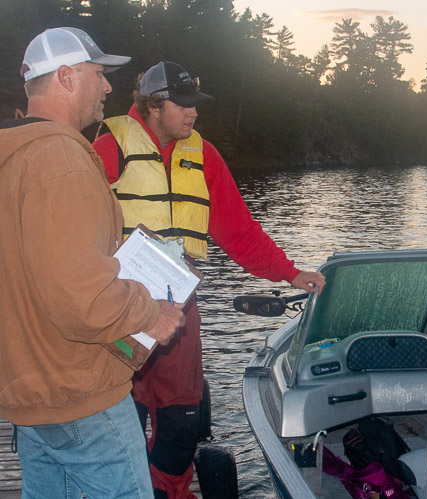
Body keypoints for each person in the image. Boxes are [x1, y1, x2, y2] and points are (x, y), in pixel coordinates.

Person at [93, 60, 326, 498]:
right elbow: (75, 228)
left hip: (180, 310)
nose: (194, 112)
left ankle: (171, 492)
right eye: (183, 104)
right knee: (119, 415)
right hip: (120, 308)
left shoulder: (204, 155)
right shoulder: (108, 148)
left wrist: (290, 272)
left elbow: (239, 230)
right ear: (154, 106)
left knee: (182, 421)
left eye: (195, 103)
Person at [0, 27, 185, 498]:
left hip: (28, 396)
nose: (107, 86)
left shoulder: (12, 157)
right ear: (66, 77)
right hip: (80, 396)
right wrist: (150, 312)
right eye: (98, 74)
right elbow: (80, 293)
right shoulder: (61, 159)